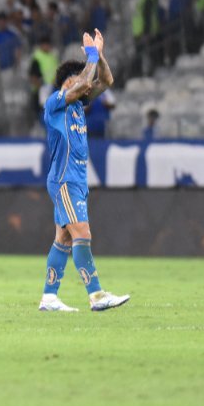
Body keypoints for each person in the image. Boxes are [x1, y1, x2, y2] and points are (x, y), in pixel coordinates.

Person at [38, 29, 130, 313]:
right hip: (65, 179)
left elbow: (107, 80)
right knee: (83, 234)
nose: (88, 88)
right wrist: (90, 56)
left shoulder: (78, 105)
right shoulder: (56, 102)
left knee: (63, 239)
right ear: (68, 81)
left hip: (77, 180)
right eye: (81, 82)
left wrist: (99, 56)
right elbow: (81, 85)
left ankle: (49, 297)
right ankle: (96, 295)